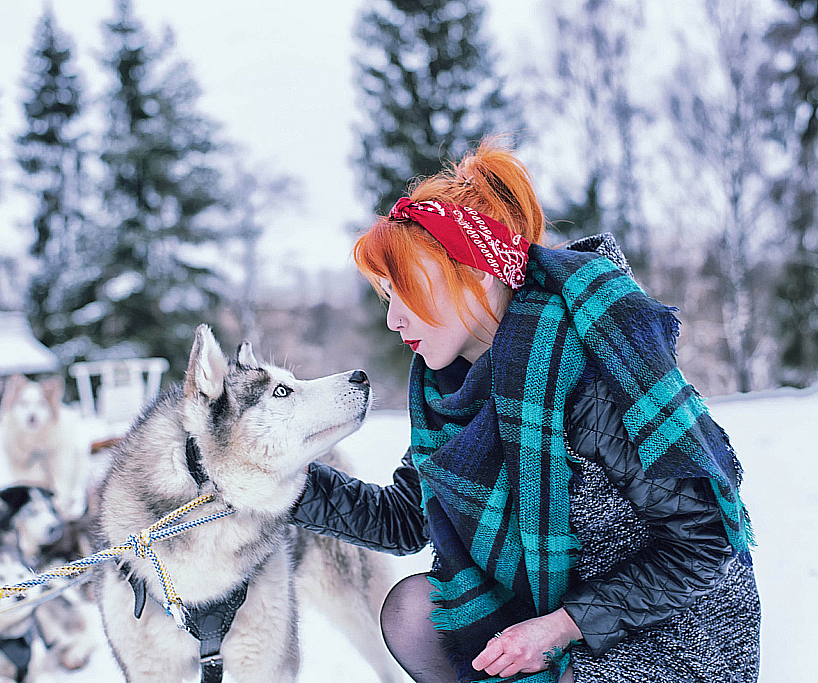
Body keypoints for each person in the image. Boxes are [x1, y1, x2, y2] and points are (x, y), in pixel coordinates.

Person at [292, 141, 760, 683]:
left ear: (484, 271)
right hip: (560, 616)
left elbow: (706, 540)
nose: (395, 319)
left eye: (411, 290)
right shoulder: (451, 393)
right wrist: (268, 480)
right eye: (387, 295)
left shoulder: (590, 367)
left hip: (671, 628)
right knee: (415, 612)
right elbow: (404, 518)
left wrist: (560, 627)